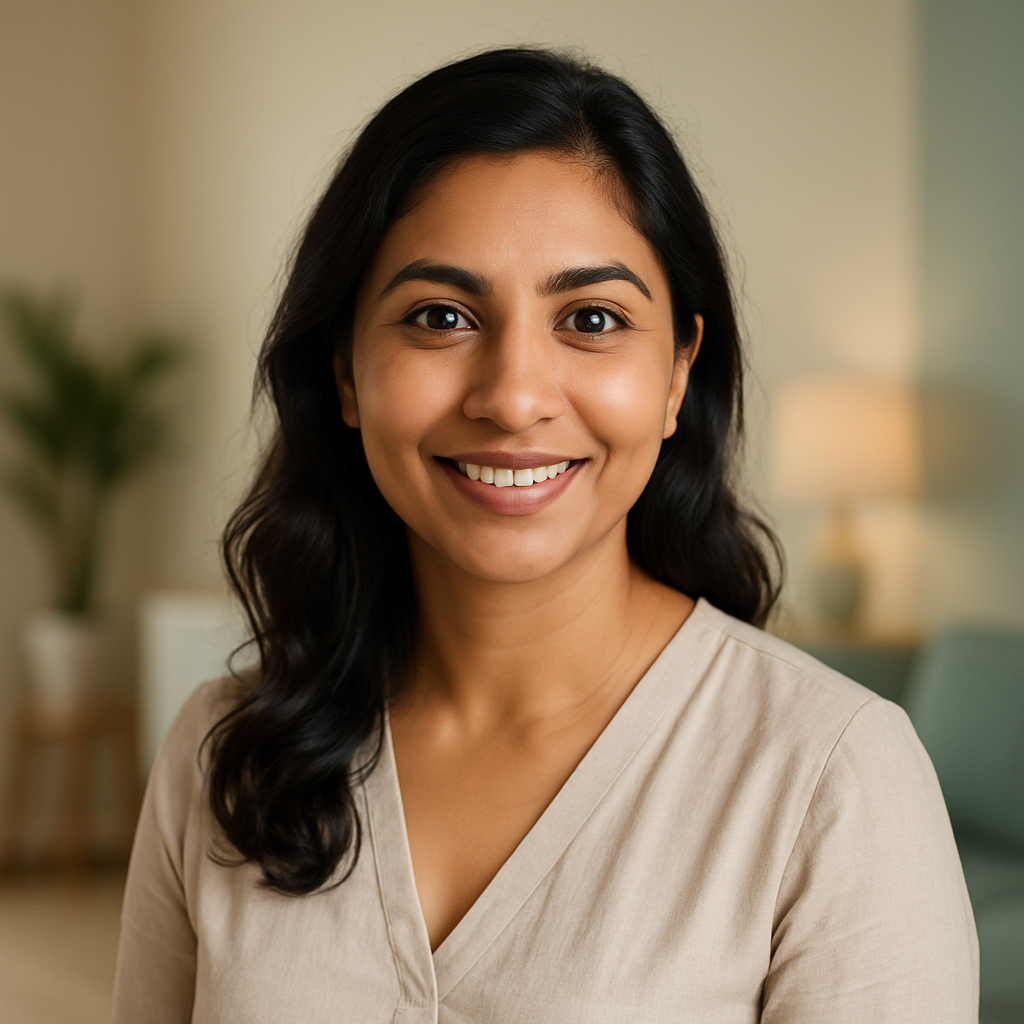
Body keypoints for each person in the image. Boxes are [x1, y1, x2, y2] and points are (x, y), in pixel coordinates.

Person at [112, 47, 978, 1023]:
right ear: (346, 370)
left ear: (678, 373)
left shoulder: (832, 775)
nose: (514, 397)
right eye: (440, 316)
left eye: (592, 319)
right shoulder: (220, 755)